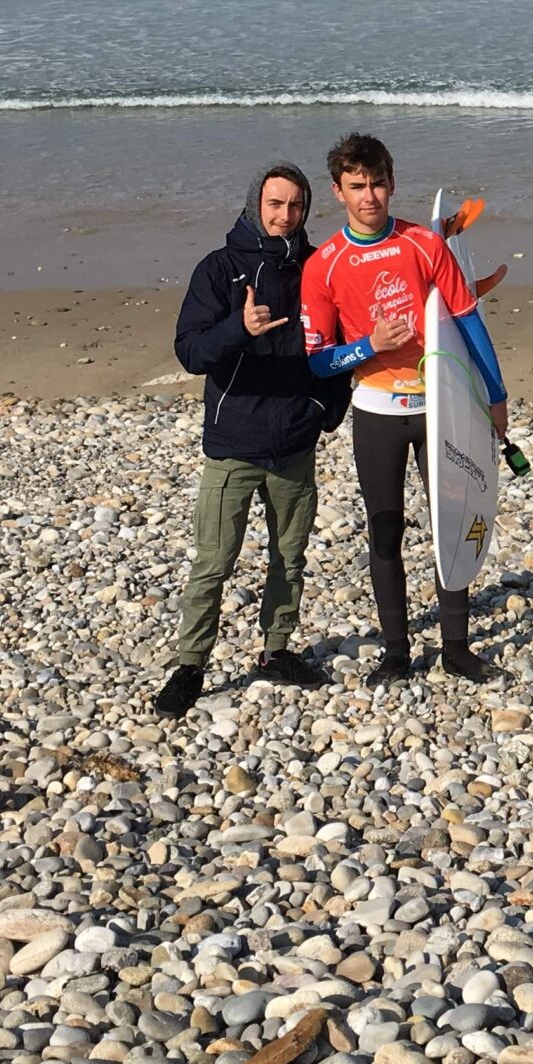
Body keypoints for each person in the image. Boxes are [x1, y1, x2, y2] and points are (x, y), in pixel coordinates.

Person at [299, 133, 510, 684]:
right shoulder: (324, 265)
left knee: (452, 520)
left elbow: (467, 319)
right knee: (385, 528)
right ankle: (396, 650)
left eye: (377, 184)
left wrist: (496, 396)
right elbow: (319, 360)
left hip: (441, 402)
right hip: (376, 410)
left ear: (391, 183)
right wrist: (371, 344)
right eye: (357, 187)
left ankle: (457, 646)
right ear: (338, 192)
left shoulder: (423, 243)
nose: (369, 196)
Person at [152, 164, 351, 717]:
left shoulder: (317, 269)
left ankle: (275, 650)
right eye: (274, 204)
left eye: (294, 206)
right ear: (254, 205)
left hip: (294, 441)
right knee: (214, 561)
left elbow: (338, 351)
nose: (284, 215)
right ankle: (190, 665)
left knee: (289, 558)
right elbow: (190, 353)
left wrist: (322, 412)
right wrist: (239, 329)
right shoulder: (218, 270)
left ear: (306, 210)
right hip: (233, 445)